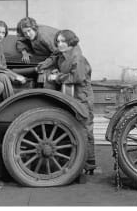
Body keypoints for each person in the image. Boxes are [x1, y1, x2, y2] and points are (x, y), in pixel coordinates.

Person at [38, 29, 96, 173]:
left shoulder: (78, 57)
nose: (60, 44)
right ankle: (77, 162)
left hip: (82, 97)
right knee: (74, 128)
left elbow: (78, 77)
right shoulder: (63, 55)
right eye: (58, 41)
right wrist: (57, 72)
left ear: (70, 42)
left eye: (63, 41)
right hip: (71, 96)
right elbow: (63, 69)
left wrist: (57, 78)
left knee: (85, 129)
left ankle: (89, 163)